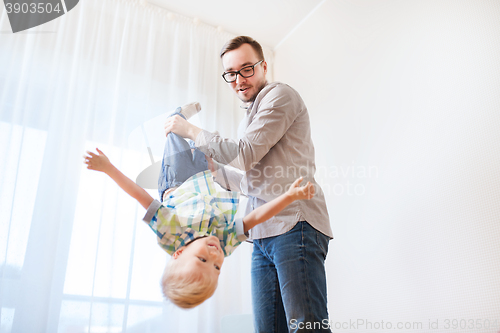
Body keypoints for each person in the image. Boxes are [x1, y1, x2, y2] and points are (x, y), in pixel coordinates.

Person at [163, 36, 333, 332]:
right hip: (262, 235)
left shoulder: (280, 96)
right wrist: (212, 172)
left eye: (247, 69)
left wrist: (190, 129)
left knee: (306, 327)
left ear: (264, 66)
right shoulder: (248, 119)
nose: (239, 80)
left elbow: (243, 154)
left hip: (295, 225)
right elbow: (252, 183)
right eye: (231, 73)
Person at [83, 106, 315, 309]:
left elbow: (139, 194)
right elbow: (255, 218)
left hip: (177, 180)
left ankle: (177, 115)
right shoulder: (223, 242)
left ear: (180, 253)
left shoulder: (171, 231)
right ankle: (194, 138)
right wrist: (289, 196)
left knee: (175, 134)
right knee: (203, 143)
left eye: (203, 260)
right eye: (216, 268)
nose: (215, 256)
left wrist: (108, 168)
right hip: (205, 178)